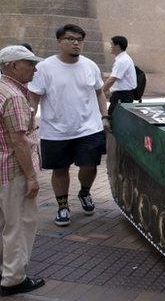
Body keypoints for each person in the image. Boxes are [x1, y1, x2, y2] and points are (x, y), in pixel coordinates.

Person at [28, 24, 109, 227]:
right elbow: (34, 97)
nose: (76, 43)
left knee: (90, 166)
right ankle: (63, 206)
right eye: (70, 39)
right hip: (55, 131)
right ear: (59, 41)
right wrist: (29, 121)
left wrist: (105, 116)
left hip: (89, 128)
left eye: (80, 40)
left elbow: (99, 92)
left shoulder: (90, 65)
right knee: (60, 169)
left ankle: (84, 192)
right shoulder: (45, 68)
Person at [0, 45, 45, 296]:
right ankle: (14, 279)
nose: (35, 68)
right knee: (19, 224)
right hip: (12, 169)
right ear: (13, 65)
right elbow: (19, 141)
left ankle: (5, 270)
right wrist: (31, 177)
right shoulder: (14, 96)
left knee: (4, 223)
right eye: (29, 62)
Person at [102, 36, 137, 117]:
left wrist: (101, 92)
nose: (110, 47)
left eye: (111, 44)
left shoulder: (122, 60)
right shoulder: (122, 59)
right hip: (121, 95)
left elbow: (112, 79)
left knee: (112, 118)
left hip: (123, 96)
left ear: (117, 46)